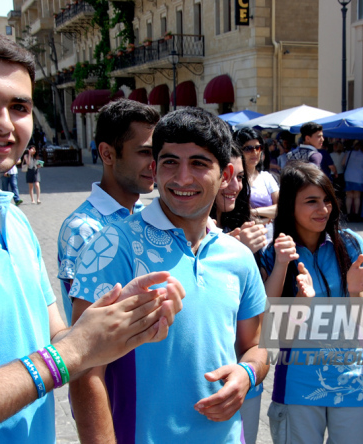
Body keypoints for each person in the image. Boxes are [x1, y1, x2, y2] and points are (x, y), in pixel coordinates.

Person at [0, 27, 184, 444]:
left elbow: (56, 339)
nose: (4, 123)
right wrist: (71, 352)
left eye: (19, 106)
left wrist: (121, 321)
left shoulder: (11, 216)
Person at [70, 108, 268, 444]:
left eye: (199, 164)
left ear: (226, 175)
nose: (182, 178)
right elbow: (84, 369)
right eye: (170, 162)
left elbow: (257, 346)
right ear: (155, 168)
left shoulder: (238, 256)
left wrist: (247, 374)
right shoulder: (113, 245)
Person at [260, 162, 363, 444]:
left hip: (350, 380)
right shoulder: (273, 254)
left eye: (327, 200)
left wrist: (353, 290)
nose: (323, 209)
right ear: (289, 206)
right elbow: (271, 331)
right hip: (298, 383)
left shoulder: (351, 245)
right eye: (311, 201)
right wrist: (300, 298)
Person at [57, 99, 160, 324]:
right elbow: (85, 327)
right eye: (145, 152)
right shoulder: (83, 228)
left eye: (157, 153)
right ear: (107, 154)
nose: (155, 163)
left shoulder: (146, 215)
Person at [208, 143, 267, 444]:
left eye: (240, 176)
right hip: (203, 380)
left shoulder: (244, 227)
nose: (234, 184)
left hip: (243, 375)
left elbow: (258, 314)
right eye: (227, 175)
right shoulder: (185, 235)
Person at [236, 127, 280, 222]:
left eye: (258, 147)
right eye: (248, 149)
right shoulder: (233, 180)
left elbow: (281, 207)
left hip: (268, 235)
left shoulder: (266, 177)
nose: (255, 152)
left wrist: (254, 212)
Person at [344, 141, 363, 220]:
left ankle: (348, 213)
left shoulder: (348, 153)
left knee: (349, 196)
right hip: (359, 177)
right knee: (357, 196)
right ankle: (356, 214)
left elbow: (343, 163)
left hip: (348, 176)